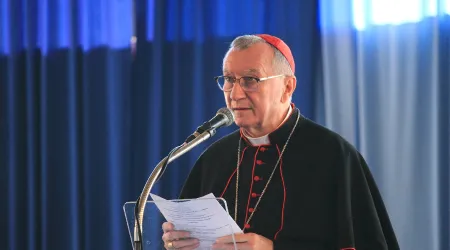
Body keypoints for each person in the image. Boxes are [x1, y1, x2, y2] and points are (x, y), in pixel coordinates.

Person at [161, 34, 400, 250]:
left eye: (250, 80)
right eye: (229, 79)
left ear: (287, 87)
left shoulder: (333, 155)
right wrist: (179, 243)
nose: (234, 94)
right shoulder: (214, 157)